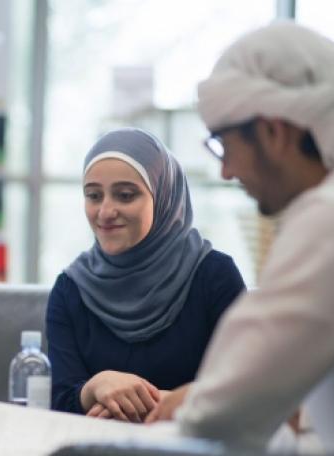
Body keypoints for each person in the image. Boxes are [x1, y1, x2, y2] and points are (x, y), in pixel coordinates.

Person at [145, 22, 334, 453]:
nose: (226, 172)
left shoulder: (331, 216)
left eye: (224, 145)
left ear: (274, 132)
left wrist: (185, 406)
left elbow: (224, 412)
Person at [47, 128, 245, 423]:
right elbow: (58, 404)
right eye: (93, 195)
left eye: (125, 195)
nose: (105, 211)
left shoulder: (213, 277)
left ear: (163, 196)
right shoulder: (71, 288)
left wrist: (163, 404)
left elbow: (246, 391)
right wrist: (96, 386)